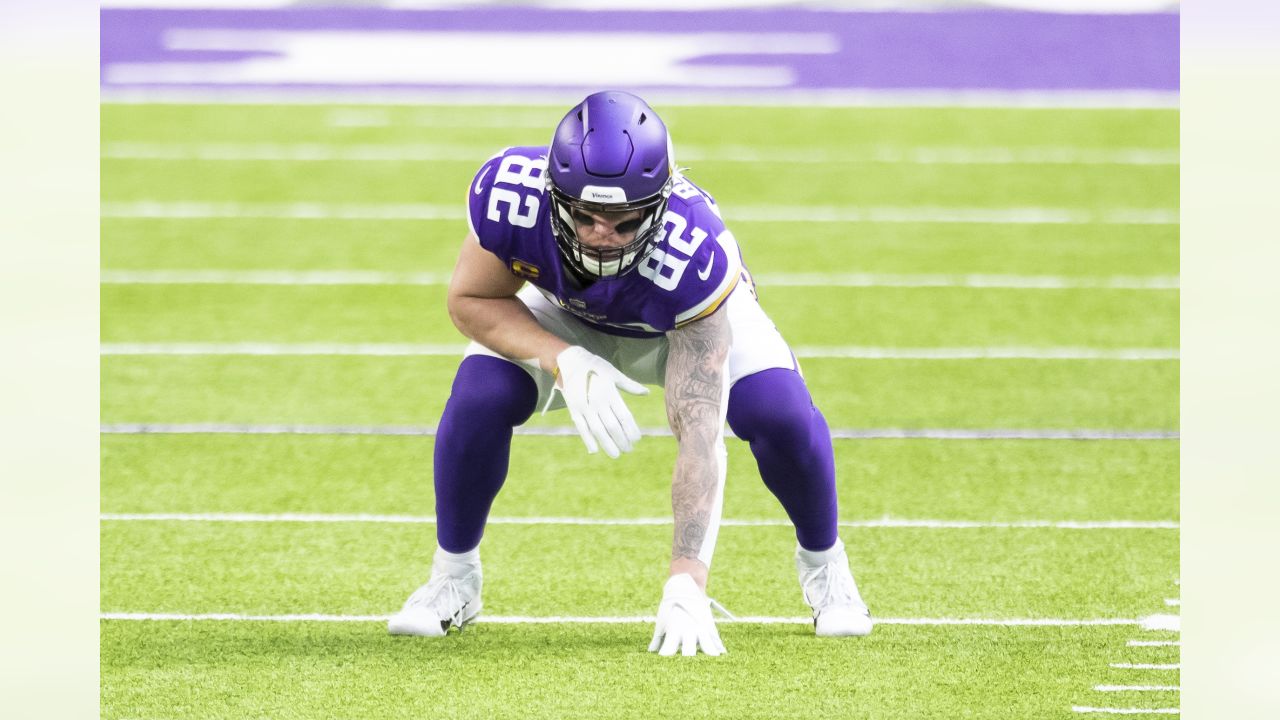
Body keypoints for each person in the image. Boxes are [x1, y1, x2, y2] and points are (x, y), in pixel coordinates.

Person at [388, 91, 871, 656]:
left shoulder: (694, 252)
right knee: (479, 395)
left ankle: (826, 568)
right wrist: (561, 356)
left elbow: (699, 431)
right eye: (585, 216)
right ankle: (454, 578)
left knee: (778, 412)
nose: (600, 235)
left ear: (659, 204)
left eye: (623, 222)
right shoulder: (511, 194)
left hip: (677, 323)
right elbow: (470, 299)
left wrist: (687, 579)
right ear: (553, 194)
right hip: (566, 314)